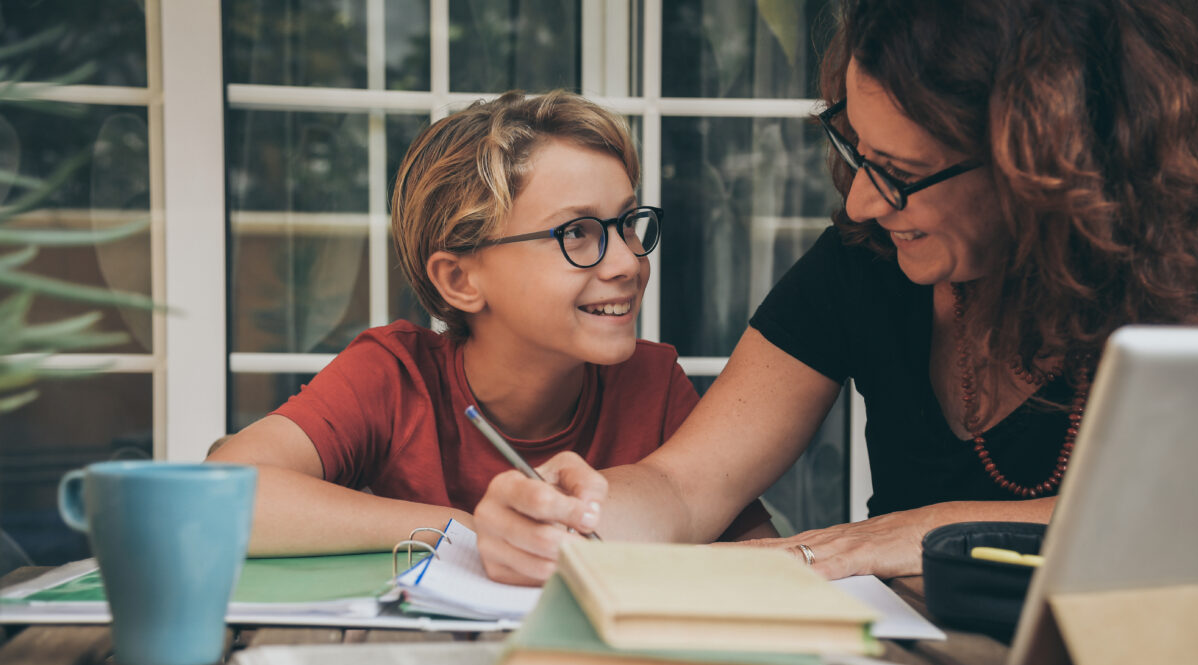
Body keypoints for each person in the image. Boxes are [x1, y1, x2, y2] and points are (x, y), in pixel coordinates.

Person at [471, 0, 1198, 584]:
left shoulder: (1176, 280)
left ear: (1045, 164)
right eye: (857, 152)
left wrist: (910, 531)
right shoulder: (866, 261)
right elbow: (686, 487)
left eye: (900, 171)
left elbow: (1175, 519)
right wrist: (571, 518)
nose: (862, 204)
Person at [207, 90, 774, 556]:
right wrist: (469, 531)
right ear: (460, 280)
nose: (628, 261)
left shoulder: (652, 385)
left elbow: (760, 559)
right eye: (575, 232)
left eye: (628, 223)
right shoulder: (395, 378)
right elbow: (221, 494)